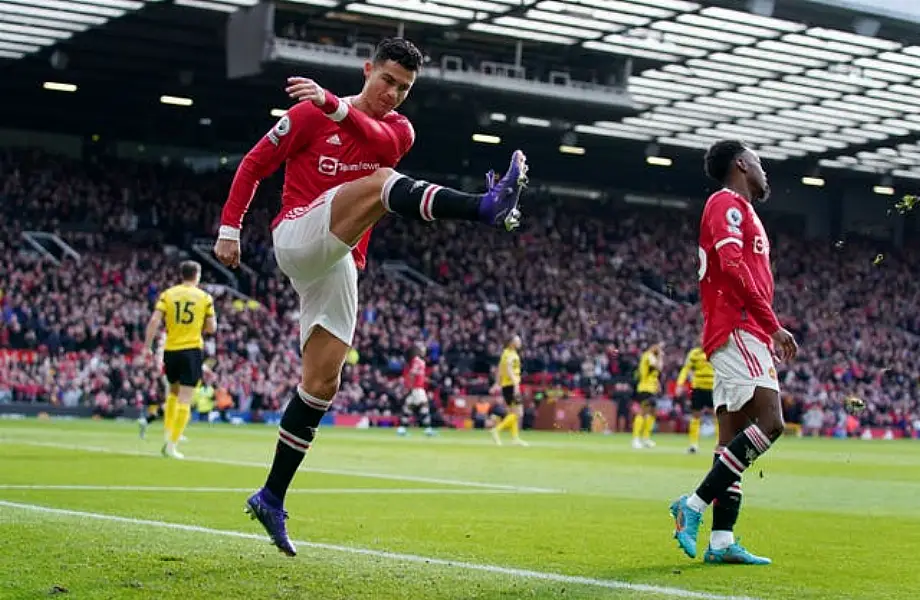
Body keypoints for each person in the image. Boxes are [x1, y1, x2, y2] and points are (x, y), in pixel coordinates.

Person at [213, 37, 528, 557]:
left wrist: (334, 105)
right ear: (367, 70)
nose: (394, 94)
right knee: (383, 185)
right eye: (387, 81)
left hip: (338, 261)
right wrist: (230, 227)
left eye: (404, 88)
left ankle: (271, 495)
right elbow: (252, 165)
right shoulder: (308, 116)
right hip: (295, 234)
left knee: (322, 381)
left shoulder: (396, 130)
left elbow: (377, 143)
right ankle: (485, 207)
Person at [670, 140, 798, 565]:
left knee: (730, 441)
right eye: (760, 163)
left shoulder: (744, 211)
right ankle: (691, 506)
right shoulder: (726, 203)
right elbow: (731, 265)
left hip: (739, 328)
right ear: (742, 165)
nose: (765, 172)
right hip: (739, 325)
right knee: (771, 423)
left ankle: (721, 541)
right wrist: (771, 325)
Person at [143, 260, 217, 459]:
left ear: (181, 275)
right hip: (191, 349)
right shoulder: (204, 297)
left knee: (173, 393)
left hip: (171, 350)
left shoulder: (168, 294)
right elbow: (212, 328)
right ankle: (171, 446)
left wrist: (146, 347)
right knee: (185, 397)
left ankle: (168, 433)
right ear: (197, 275)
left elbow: (154, 321)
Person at [676, 345, 715, 454]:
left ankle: (719, 444)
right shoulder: (694, 353)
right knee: (696, 415)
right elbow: (686, 369)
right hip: (697, 387)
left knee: (717, 415)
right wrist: (680, 384)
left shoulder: (715, 350)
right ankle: (693, 445)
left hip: (713, 387)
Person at [490, 334, 527, 446]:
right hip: (512, 385)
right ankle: (497, 430)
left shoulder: (505, 353)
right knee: (519, 413)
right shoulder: (510, 354)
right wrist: (515, 383)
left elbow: (500, 369)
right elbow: (509, 368)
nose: (520, 342)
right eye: (517, 340)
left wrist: (497, 383)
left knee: (512, 412)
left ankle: (515, 438)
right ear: (511, 343)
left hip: (507, 385)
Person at [632, 342, 663, 449]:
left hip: (651, 389)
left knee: (653, 413)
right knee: (643, 412)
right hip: (645, 388)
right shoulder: (648, 355)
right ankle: (636, 439)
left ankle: (645, 438)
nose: (659, 349)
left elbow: (654, 373)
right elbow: (658, 367)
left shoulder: (651, 356)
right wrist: (660, 356)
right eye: (657, 347)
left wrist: (657, 384)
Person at [397, 344, 433, 436]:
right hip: (417, 389)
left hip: (416, 388)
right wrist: (410, 386)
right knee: (424, 407)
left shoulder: (417, 361)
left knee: (408, 409)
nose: (424, 351)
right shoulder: (418, 361)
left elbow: (416, 374)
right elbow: (412, 374)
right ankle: (428, 430)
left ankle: (401, 429)